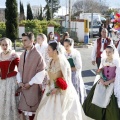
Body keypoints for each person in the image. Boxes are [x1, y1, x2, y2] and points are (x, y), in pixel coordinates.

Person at [34, 42, 92, 120]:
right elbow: (49, 75)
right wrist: (48, 81)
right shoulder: (50, 61)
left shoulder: (63, 62)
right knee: (44, 112)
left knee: (60, 114)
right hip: (50, 89)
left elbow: (67, 80)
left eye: (49, 50)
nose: (47, 52)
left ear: (55, 51)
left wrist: (57, 88)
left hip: (61, 92)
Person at [83, 45, 120, 120]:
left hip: (112, 83)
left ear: (113, 52)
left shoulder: (116, 62)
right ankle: (99, 115)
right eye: (106, 52)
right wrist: (102, 79)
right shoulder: (103, 60)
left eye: (109, 52)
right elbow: (100, 72)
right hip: (102, 82)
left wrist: (109, 81)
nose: (108, 53)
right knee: (98, 97)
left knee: (110, 101)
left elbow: (118, 76)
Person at [16, 32, 46, 120]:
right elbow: (19, 70)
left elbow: (41, 72)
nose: (23, 42)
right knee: (23, 111)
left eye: (25, 40)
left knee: (33, 112)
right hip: (23, 87)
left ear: (32, 41)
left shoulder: (38, 55)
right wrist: (20, 82)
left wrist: (30, 83)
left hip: (33, 87)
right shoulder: (22, 54)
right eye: (22, 40)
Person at [0, 38, 20, 120]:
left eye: (6, 45)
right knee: (3, 99)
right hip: (2, 81)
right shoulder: (0, 55)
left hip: (11, 80)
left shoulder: (14, 55)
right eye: (2, 45)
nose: (4, 46)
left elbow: (20, 68)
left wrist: (19, 81)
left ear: (10, 45)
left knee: (11, 100)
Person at [63, 38, 86, 103]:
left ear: (71, 45)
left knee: (75, 92)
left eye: (67, 46)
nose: (65, 47)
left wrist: (68, 69)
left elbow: (78, 66)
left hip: (74, 75)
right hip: (66, 75)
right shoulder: (64, 53)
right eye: (64, 46)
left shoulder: (75, 53)